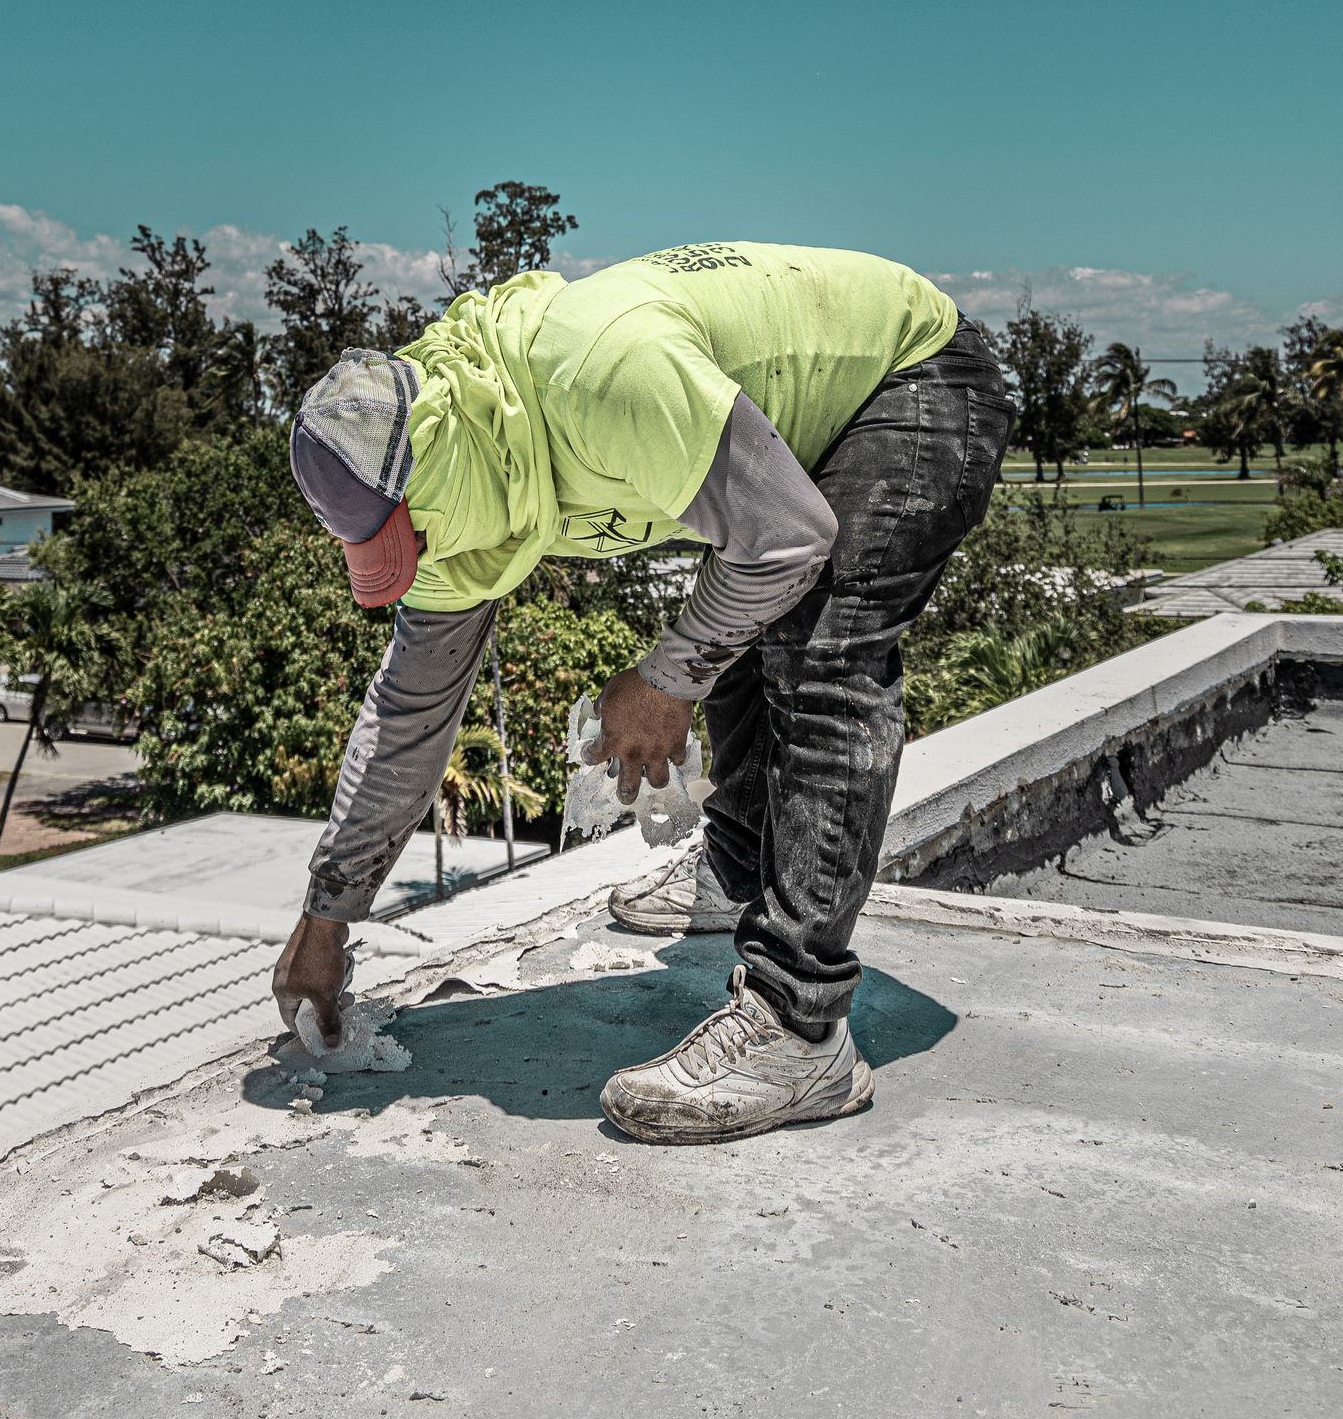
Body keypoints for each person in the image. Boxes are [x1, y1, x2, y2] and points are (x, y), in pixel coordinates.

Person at [271, 242, 1012, 1144]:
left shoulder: (598, 377)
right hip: (798, 429)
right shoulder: (460, 463)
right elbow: (408, 718)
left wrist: (666, 680)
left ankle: (799, 1029)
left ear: (437, 472)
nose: (421, 560)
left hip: (912, 373)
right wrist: (328, 918)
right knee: (737, 614)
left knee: (822, 648)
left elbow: (785, 536)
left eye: (415, 533)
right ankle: (735, 881)